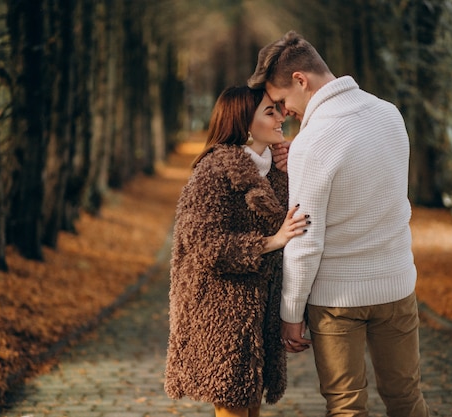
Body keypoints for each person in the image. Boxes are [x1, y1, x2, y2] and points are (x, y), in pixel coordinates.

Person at [248, 31, 431, 416]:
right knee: (406, 399)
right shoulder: (389, 114)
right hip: (396, 286)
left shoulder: (313, 141)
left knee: (347, 407)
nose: (283, 113)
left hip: (336, 301)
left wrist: (291, 314)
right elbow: (383, 193)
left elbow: (305, 239)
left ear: (301, 80)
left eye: (282, 101)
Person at [164, 85, 309, 417]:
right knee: (232, 407)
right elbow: (204, 245)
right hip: (220, 313)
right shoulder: (213, 172)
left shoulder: (273, 169)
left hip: (259, 313)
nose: (281, 117)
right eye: (270, 112)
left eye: (279, 109)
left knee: (250, 406)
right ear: (245, 124)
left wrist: (288, 172)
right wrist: (271, 242)